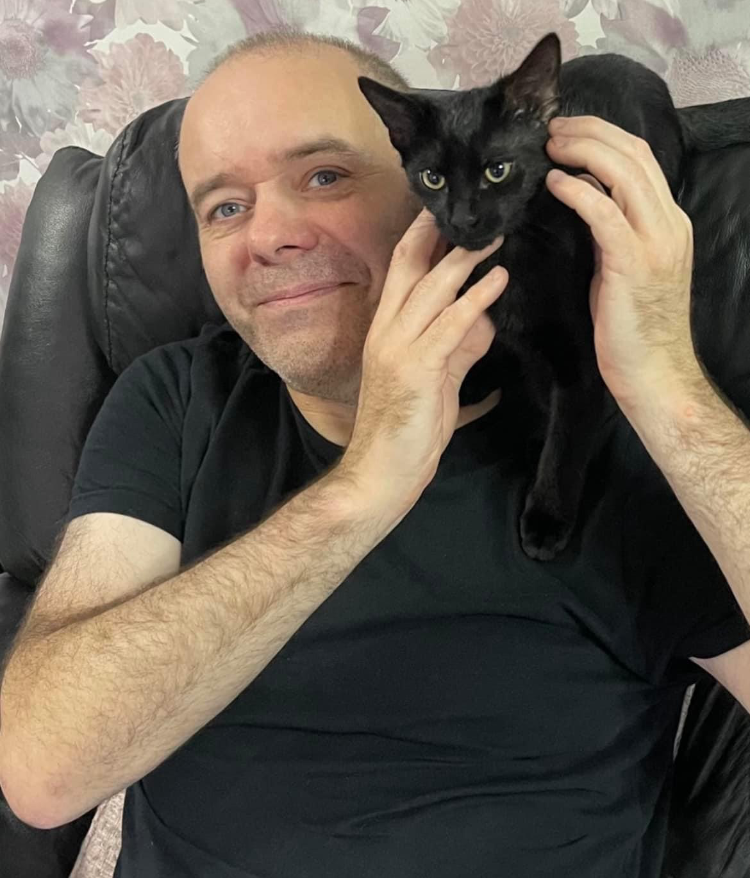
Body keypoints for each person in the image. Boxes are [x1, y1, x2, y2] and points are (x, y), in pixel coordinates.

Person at [1, 29, 750, 878]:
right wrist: (363, 485)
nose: (270, 236)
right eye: (224, 208)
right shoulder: (174, 399)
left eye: (324, 176)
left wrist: (668, 388)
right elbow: (43, 774)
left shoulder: (606, 443)